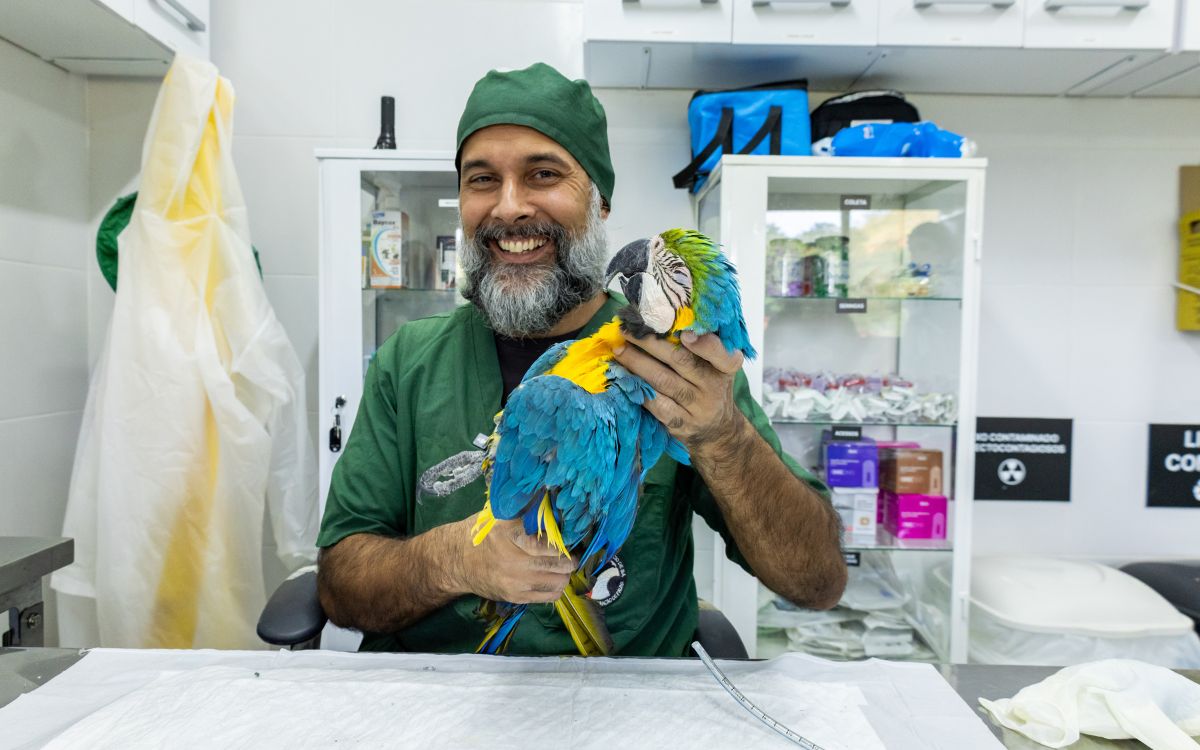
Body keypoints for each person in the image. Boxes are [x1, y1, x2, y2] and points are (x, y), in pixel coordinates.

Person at [316, 63, 846, 656]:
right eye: (482, 179)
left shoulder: (680, 363)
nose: (510, 207)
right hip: (438, 700)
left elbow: (817, 581)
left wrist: (722, 437)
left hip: (626, 701)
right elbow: (340, 588)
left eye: (543, 174)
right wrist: (456, 559)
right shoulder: (408, 363)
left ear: (601, 204)